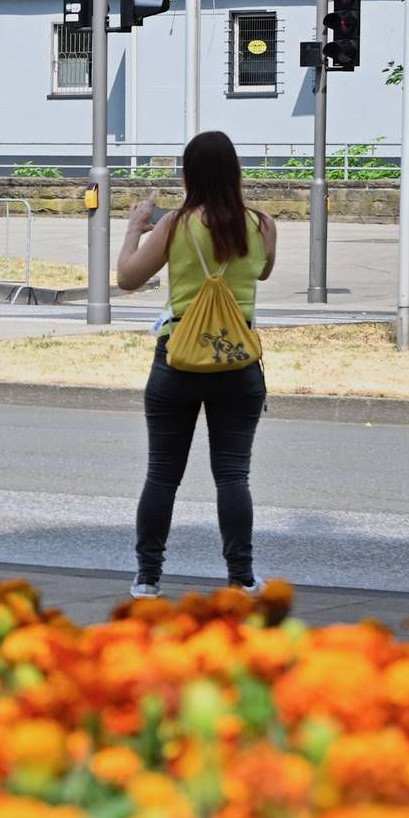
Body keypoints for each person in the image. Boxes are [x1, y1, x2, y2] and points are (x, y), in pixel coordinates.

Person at [116, 130, 277, 600]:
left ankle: (148, 578)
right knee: (233, 475)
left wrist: (136, 227)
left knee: (162, 474)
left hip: (178, 359)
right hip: (237, 362)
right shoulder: (263, 224)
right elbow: (262, 270)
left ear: (189, 175)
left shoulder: (176, 226)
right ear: (236, 172)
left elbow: (127, 278)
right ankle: (241, 577)